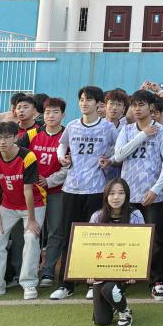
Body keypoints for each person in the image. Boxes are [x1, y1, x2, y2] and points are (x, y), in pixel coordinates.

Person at [49, 86, 117, 299]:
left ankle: (92, 282)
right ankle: (66, 284)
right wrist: (62, 158)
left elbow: (118, 148)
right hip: (72, 188)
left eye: (88, 99)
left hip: (96, 188)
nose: (84, 103)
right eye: (81, 99)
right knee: (69, 235)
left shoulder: (107, 127)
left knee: (94, 236)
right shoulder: (72, 125)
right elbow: (61, 145)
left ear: (99, 104)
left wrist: (109, 159)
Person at [109, 91, 163, 301]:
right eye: (134, 105)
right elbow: (119, 155)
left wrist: (156, 189)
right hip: (128, 195)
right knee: (125, 237)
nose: (137, 109)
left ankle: (157, 280)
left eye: (141, 105)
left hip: (152, 195)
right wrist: (143, 135)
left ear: (150, 107)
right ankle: (122, 278)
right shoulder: (127, 130)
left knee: (155, 239)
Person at [0, 121, 45, 300]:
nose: (3, 141)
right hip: (8, 205)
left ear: (15, 138)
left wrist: (31, 220)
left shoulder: (27, 156)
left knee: (31, 237)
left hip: (34, 204)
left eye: (7, 137)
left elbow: (28, 190)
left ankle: (29, 283)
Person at [13, 98, 67, 293]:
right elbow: (15, 154)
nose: (50, 116)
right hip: (31, 192)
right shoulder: (31, 134)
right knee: (30, 231)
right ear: (42, 114)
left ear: (63, 115)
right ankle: (21, 271)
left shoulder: (67, 135)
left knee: (55, 231)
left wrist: (50, 180)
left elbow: (70, 166)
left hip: (55, 192)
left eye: (55, 112)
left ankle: (48, 272)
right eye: (47, 112)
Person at [88, 178, 143, 326]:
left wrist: (135, 270)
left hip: (123, 269)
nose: (116, 197)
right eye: (112, 193)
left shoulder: (135, 215)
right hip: (102, 270)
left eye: (120, 193)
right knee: (101, 321)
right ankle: (113, 303)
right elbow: (89, 249)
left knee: (108, 288)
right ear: (106, 196)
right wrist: (89, 271)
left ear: (127, 195)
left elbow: (141, 246)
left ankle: (125, 312)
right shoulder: (97, 217)